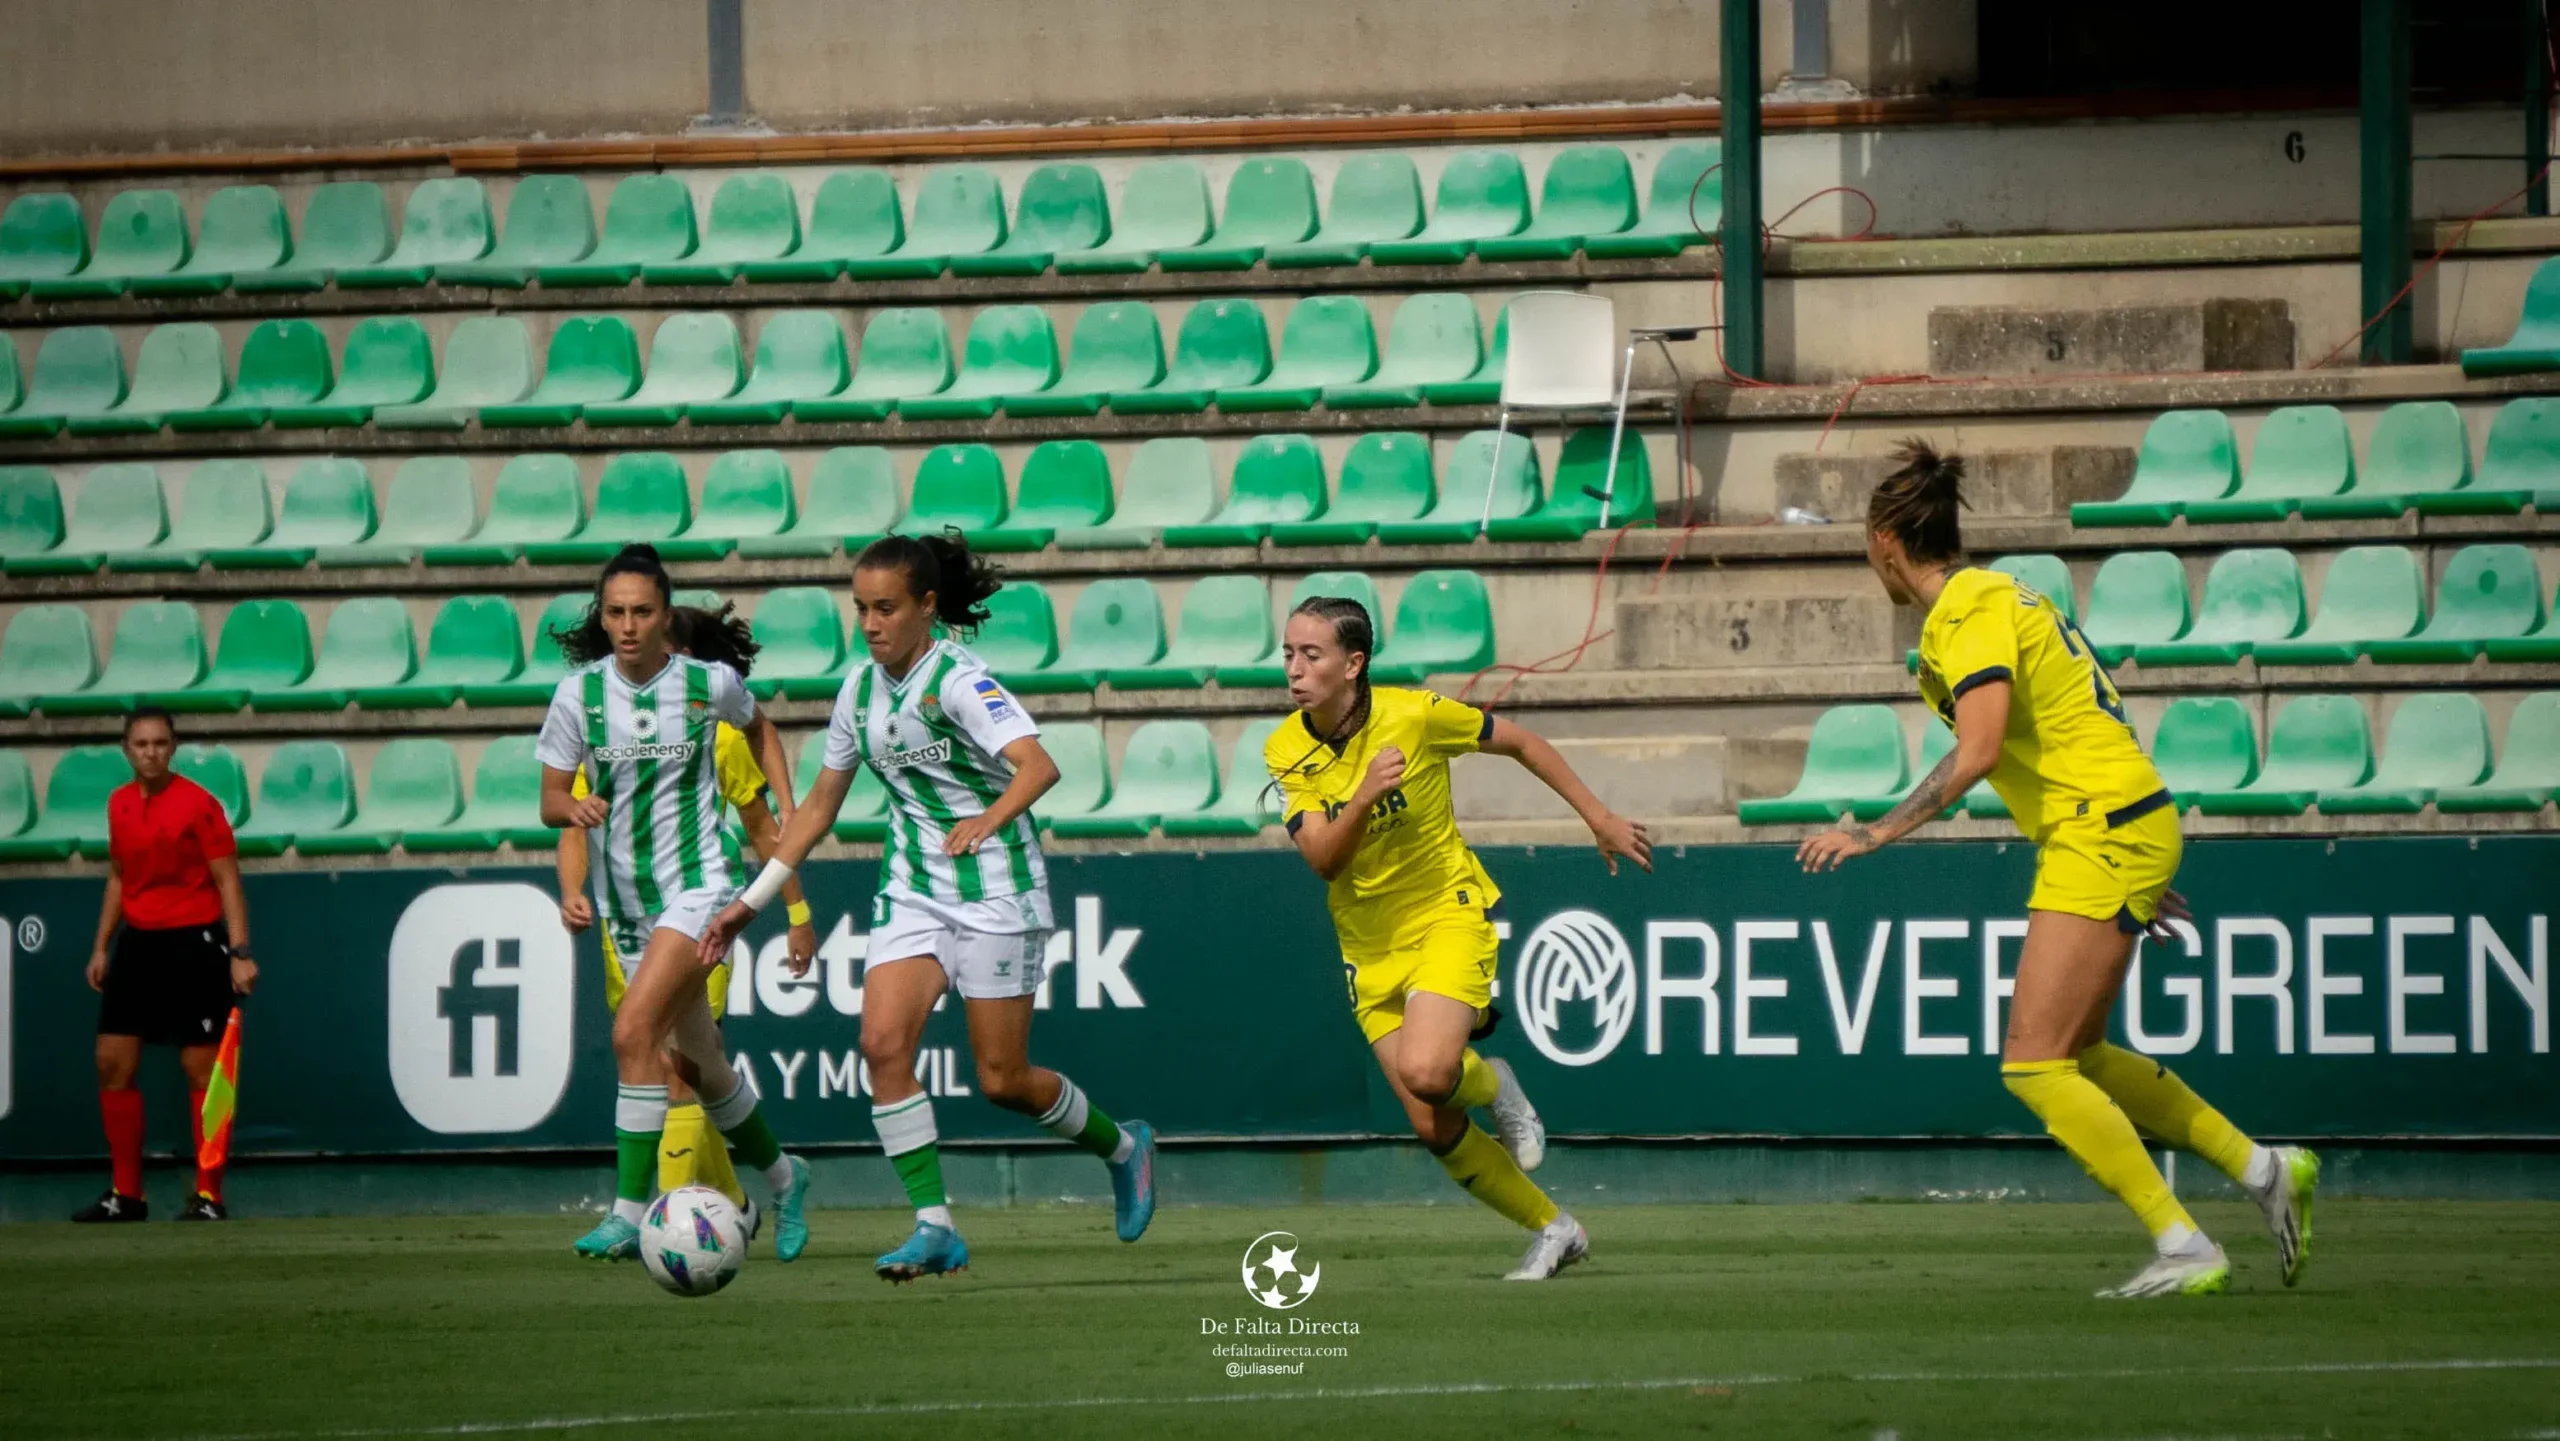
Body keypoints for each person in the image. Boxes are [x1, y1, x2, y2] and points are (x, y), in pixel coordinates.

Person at [1797, 439, 2319, 1299]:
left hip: (2101, 827)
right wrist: (2136, 857)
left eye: (1866, 541)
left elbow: (1981, 750)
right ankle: (2263, 1170)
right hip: (2114, 823)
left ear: (1887, 540)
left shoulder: (1966, 614)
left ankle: (2184, 1243)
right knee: (2081, 1052)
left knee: (2034, 1063)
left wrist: (1877, 830)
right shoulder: (2001, 593)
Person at [699, 532, 1156, 1283]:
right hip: (912, 888)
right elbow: (817, 806)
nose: (871, 623)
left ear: (927, 607)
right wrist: (753, 904)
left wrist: (988, 819)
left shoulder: (959, 680)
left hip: (996, 889)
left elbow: (1039, 764)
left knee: (1003, 1079)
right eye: (860, 608)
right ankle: (934, 1225)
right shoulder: (858, 690)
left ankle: (1125, 1148)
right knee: (881, 1046)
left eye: (886, 608)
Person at [1266, 595, 1651, 1281]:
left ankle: (1495, 1082)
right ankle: (1556, 1227)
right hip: (1368, 944)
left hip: (1445, 911)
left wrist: (1597, 815)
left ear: (1353, 664)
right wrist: (1360, 798)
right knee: (1431, 1123)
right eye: (1289, 652)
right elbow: (1325, 859)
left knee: (1426, 1071)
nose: (1294, 668)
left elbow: (1523, 742)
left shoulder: (1415, 714)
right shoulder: (1285, 747)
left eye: (1311, 654)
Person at [535, 544, 814, 1263]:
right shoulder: (578, 697)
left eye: (642, 611)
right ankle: (787, 1177)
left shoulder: (705, 684)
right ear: (604, 617)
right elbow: (547, 801)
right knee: (702, 1061)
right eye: (616, 612)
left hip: (697, 888)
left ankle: (629, 1211)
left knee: (634, 1034)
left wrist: (786, 803)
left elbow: (759, 725)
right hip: (626, 903)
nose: (628, 625)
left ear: (666, 616)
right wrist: (575, 804)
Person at [78, 707, 255, 1223]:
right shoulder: (118, 805)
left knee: (201, 1070)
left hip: (194, 945)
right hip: (138, 945)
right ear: (126, 750)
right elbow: (118, 876)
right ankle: (126, 1196)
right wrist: (100, 946)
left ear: (172, 747)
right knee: (112, 1062)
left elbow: (228, 881)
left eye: (160, 743)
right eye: (141, 744)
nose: (151, 751)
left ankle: (208, 1196)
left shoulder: (199, 804)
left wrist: (240, 954)